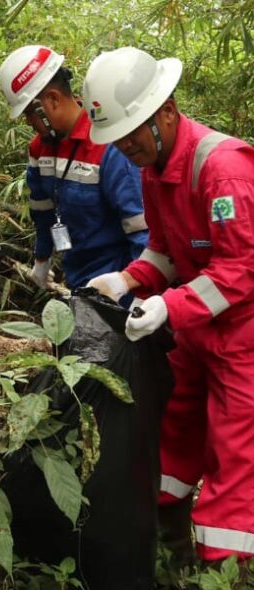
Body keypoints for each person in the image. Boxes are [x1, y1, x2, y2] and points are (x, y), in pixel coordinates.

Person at [84, 46, 254, 563]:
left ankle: (226, 567)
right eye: (116, 137)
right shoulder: (154, 169)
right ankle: (169, 543)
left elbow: (241, 269)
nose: (124, 147)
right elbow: (164, 250)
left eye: (131, 132)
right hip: (196, 334)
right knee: (173, 434)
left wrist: (168, 307)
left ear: (167, 112)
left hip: (244, 338)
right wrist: (126, 280)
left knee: (236, 455)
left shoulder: (224, 170)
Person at [0, 45, 148, 292]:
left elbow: (141, 230)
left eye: (29, 114)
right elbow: (42, 211)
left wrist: (139, 291)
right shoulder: (39, 149)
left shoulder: (107, 146)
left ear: (52, 100)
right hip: (77, 273)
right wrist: (42, 258)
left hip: (117, 279)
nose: (28, 123)